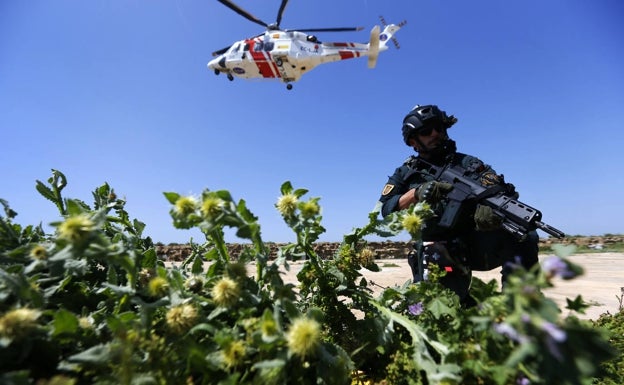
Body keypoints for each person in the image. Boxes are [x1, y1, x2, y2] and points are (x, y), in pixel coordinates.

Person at [378, 104, 539, 304]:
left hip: (475, 244)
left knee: (524, 236)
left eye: (439, 127)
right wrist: (415, 193)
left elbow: (498, 191)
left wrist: (490, 212)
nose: (435, 133)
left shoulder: (468, 163)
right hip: (438, 250)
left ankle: (520, 309)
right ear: (413, 141)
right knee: (447, 308)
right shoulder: (406, 173)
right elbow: (386, 209)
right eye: (427, 131)